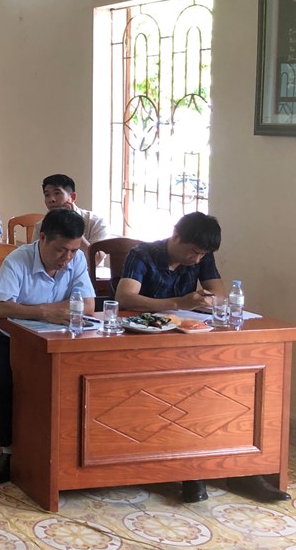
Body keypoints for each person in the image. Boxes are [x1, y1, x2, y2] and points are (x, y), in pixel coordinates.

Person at [116, 212, 289, 504]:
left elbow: (218, 294)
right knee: (190, 393)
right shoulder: (142, 254)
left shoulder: (201, 257)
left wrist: (206, 300)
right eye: (193, 252)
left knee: (232, 387)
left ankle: (243, 468)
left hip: (189, 340)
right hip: (145, 343)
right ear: (176, 236)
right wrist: (177, 302)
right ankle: (192, 472)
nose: (196, 259)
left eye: (202, 255)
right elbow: (125, 297)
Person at [0, 208, 94, 486]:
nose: (67, 258)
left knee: (80, 381)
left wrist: (33, 310)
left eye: (73, 251)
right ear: (42, 238)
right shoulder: (18, 260)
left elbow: (88, 305)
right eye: (61, 250)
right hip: (8, 339)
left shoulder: (77, 259)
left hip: (57, 340)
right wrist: (45, 312)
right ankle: (9, 451)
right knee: (3, 383)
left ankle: (67, 451)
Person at [33, 174, 111, 249]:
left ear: (72, 197)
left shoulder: (96, 223)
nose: (51, 199)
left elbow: (96, 257)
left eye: (57, 193)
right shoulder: (41, 225)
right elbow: (33, 254)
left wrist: (74, 226)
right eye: (47, 195)